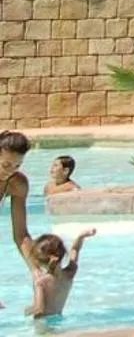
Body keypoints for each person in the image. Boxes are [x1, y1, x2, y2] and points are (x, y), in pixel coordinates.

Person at [26, 229, 92, 319]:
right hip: (58, 318)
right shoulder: (70, 272)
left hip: (44, 324)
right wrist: (81, 237)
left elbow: (39, 309)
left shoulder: (41, 283)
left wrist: (27, 310)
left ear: (39, 261)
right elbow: (75, 250)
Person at [0, 132, 33, 274]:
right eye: (6, 164)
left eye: (17, 166)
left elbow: (21, 235)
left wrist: (36, 270)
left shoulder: (17, 184)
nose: (11, 171)